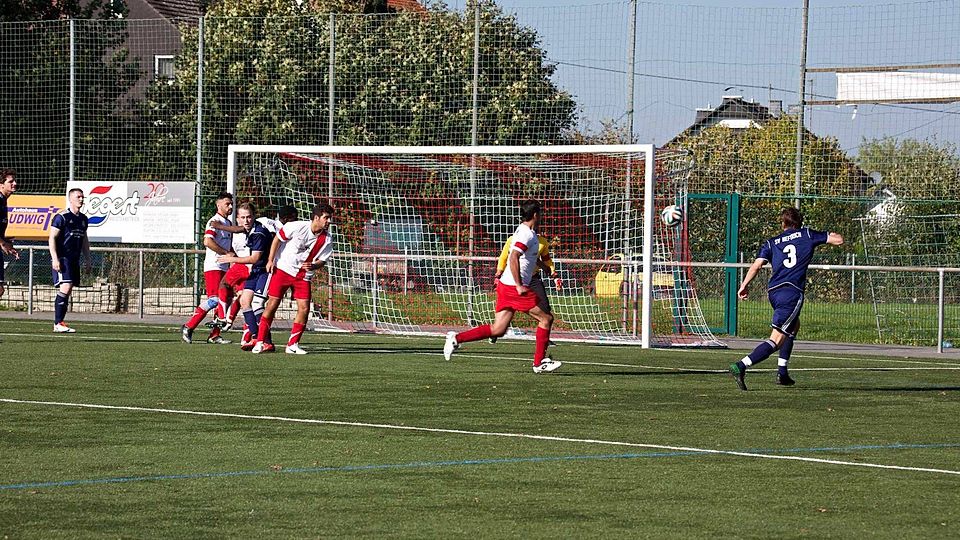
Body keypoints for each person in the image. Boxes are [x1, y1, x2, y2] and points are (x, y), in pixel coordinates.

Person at [730, 207, 843, 390]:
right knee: (776, 339)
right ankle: (741, 365)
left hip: (774, 292)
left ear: (783, 223)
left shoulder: (771, 242)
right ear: (800, 222)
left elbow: (757, 265)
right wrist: (827, 234)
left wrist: (744, 285)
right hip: (791, 293)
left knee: (793, 325)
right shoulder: (807, 234)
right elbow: (838, 240)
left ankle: (782, 373)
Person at [444, 200, 561, 374]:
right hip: (514, 287)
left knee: (498, 329)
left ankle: (455, 338)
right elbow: (513, 257)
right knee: (546, 319)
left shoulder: (527, 233)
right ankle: (538, 363)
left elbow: (528, 258)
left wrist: (546, 269)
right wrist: (519, 285)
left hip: (506, 286)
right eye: (541, 213)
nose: (542, 216)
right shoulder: (527, 234)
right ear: (536, 215)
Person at [251, 203, 335, 355]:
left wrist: (314, 265)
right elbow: (277, 239)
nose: (329, 221)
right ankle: (260, 342)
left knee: (304, 308)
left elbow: (322, 260)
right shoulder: (296, 226)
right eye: (326, 218)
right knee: (272, 305)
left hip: (303, 276)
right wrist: (270, 260)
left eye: (330, 218)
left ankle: (292, 345)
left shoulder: (327, 238)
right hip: (283, 270)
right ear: (316, 218)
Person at [214, 204, 297, 349]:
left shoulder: (258, 233)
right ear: (238, 219)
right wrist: (221, 227)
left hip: (265, 270)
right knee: (245, 301)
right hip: (256, 270)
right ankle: (255, 336)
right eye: (243, 217)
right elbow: (237, 230)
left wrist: (231, 259)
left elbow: (254, 258)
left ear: (254, 216)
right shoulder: (251, 228)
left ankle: (266, 341)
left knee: (257, 303)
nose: (246, 220)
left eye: (249, 217)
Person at [181, 192, 234, 345]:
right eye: (227, 204)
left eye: (231, 203)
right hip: (214, 266)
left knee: (225, 300)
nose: (230, 206)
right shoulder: (214, 221)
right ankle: (188, 326)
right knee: (215, 299)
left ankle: (214, 335)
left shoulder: (228, 223)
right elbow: (207, 242)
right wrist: (226, 253)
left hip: (224, 266)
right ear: (218, 205)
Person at [489, 231, 561, 344]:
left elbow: (547, 260)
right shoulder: (513, 239)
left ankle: (544, 339)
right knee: (508, 308)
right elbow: (503, 257)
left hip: (533, 279)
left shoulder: (542, 242)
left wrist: (555, 276)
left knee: (545, 309)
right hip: (515, 279)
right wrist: (498, 275)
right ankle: (495, 332)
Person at [48, 188, 91, 333]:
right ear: (70, 199)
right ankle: (58, 323)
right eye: (78, 197)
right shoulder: (62, 217)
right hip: (63, 257)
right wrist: (55, 258)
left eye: (82, 197)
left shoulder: (83, 219)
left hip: (74, 258)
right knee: (66, 286)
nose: (81, 199)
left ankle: (60, 322)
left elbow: (84, 239)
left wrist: (88, 258)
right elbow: (52, 238)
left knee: (69, 287)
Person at [0, 169, 19, 300]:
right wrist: (2, 243)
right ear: (1, 185)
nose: (15, 183)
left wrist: (5, 241)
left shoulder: (3, 201)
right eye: (10, 181)